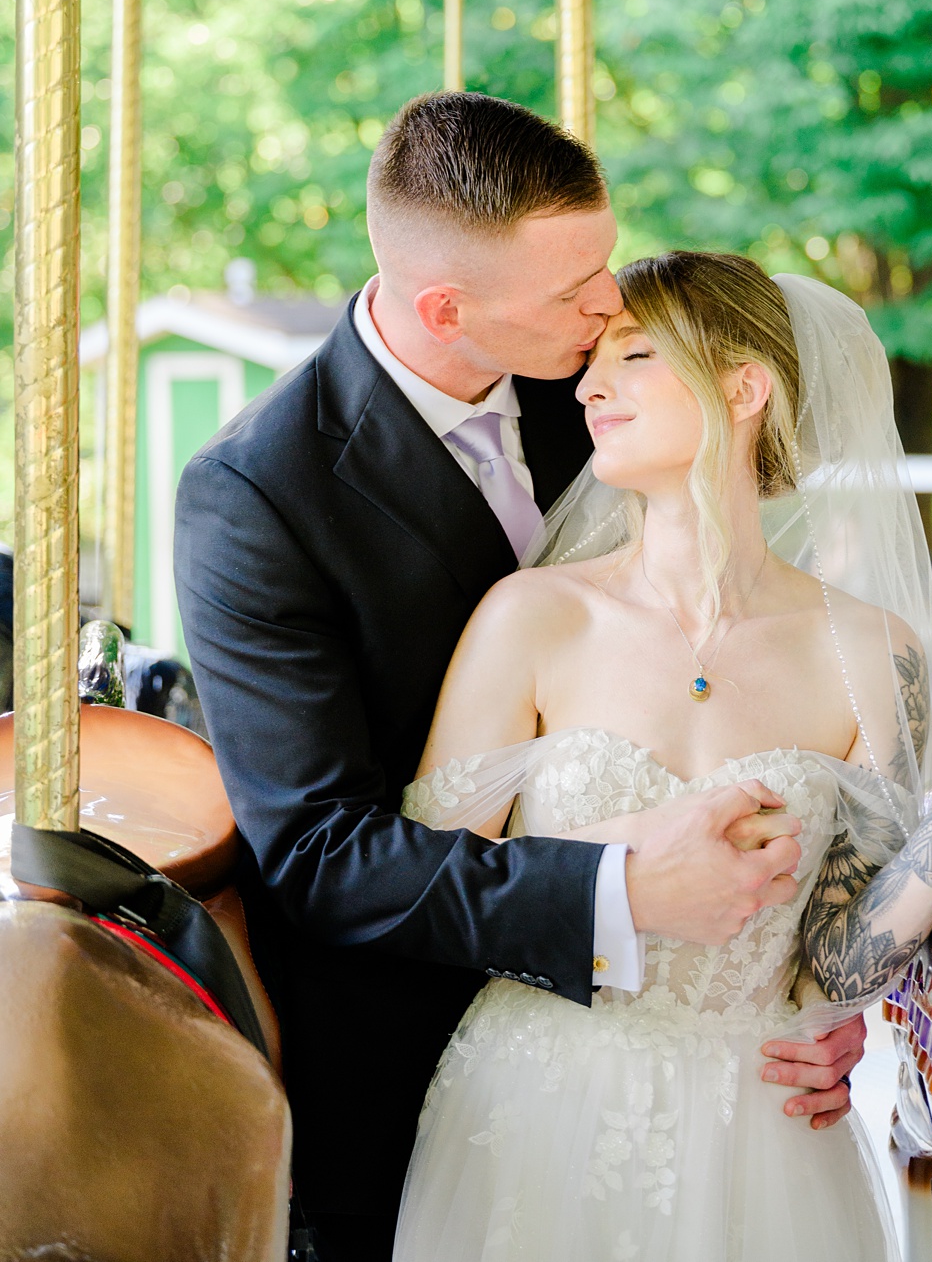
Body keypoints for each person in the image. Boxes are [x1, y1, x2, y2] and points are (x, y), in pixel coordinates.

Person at [175, 95, 870, 1260]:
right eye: (574, 289)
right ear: (448, 308)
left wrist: (817, 1003)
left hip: (721, 1086)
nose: (612, 304)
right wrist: (622, 891)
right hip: (425, 1067)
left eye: (602, 263)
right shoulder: (259, 494)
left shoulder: (612, 388)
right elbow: (319, 852)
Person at [392, 251, 932, 1260]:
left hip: (763, 1130)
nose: (593, 384)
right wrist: (626, 864)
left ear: (744, 385)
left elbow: (841, 960)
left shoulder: (873, 653)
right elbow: (419, 895)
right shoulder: (534, 617)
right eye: (592, 360)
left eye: (635, 354)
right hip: (539, 1112)